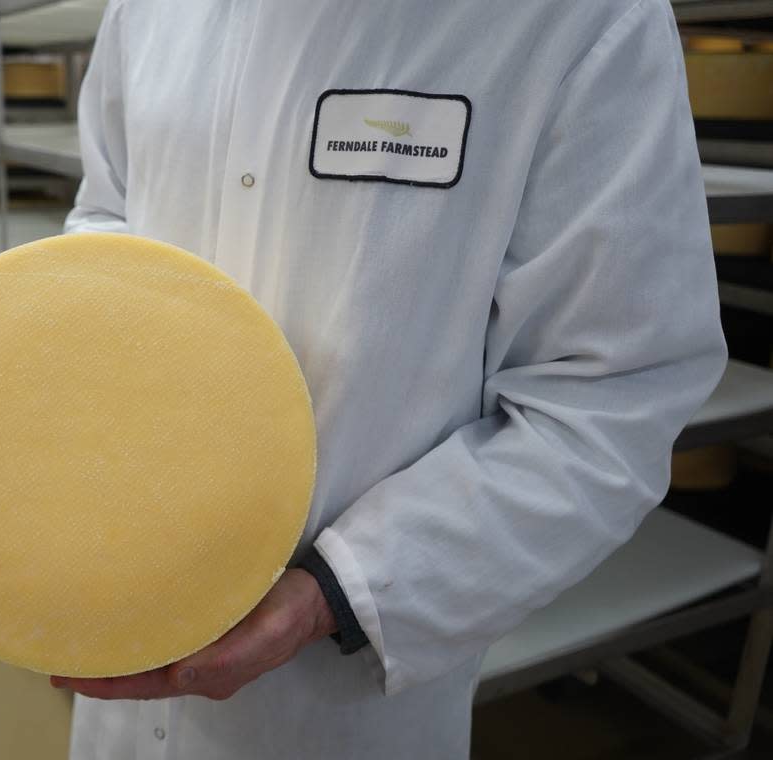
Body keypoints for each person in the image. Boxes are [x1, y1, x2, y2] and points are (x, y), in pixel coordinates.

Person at [56, 0, 728, 757]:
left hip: (337, 698)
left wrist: (338, 593)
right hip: (124, 595)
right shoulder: (144, 13)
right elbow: (106, 218)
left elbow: (610, 400)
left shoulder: (581, 21)